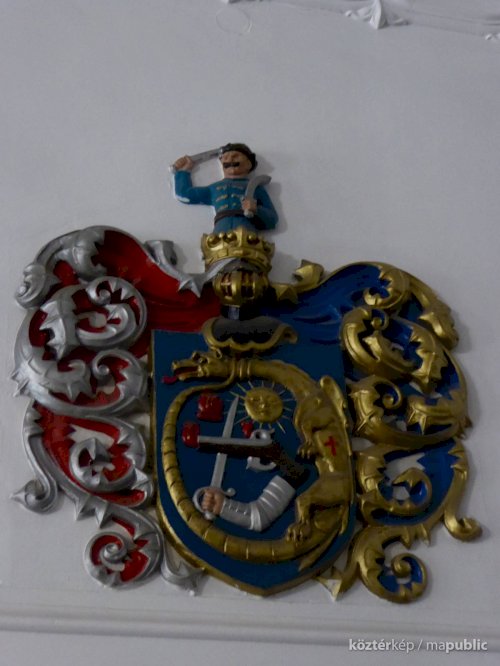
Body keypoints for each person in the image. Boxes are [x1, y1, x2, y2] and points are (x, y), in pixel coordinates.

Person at [172, 143, 278, 234]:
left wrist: (256, 209)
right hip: (220, 232)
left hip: (246, 234)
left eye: (236, 156)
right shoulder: (214, 188)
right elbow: (185, 194)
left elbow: (272, 220)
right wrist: (183, 171)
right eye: (225, 158)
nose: (230, 160)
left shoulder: (256, 188)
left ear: (249, 164)